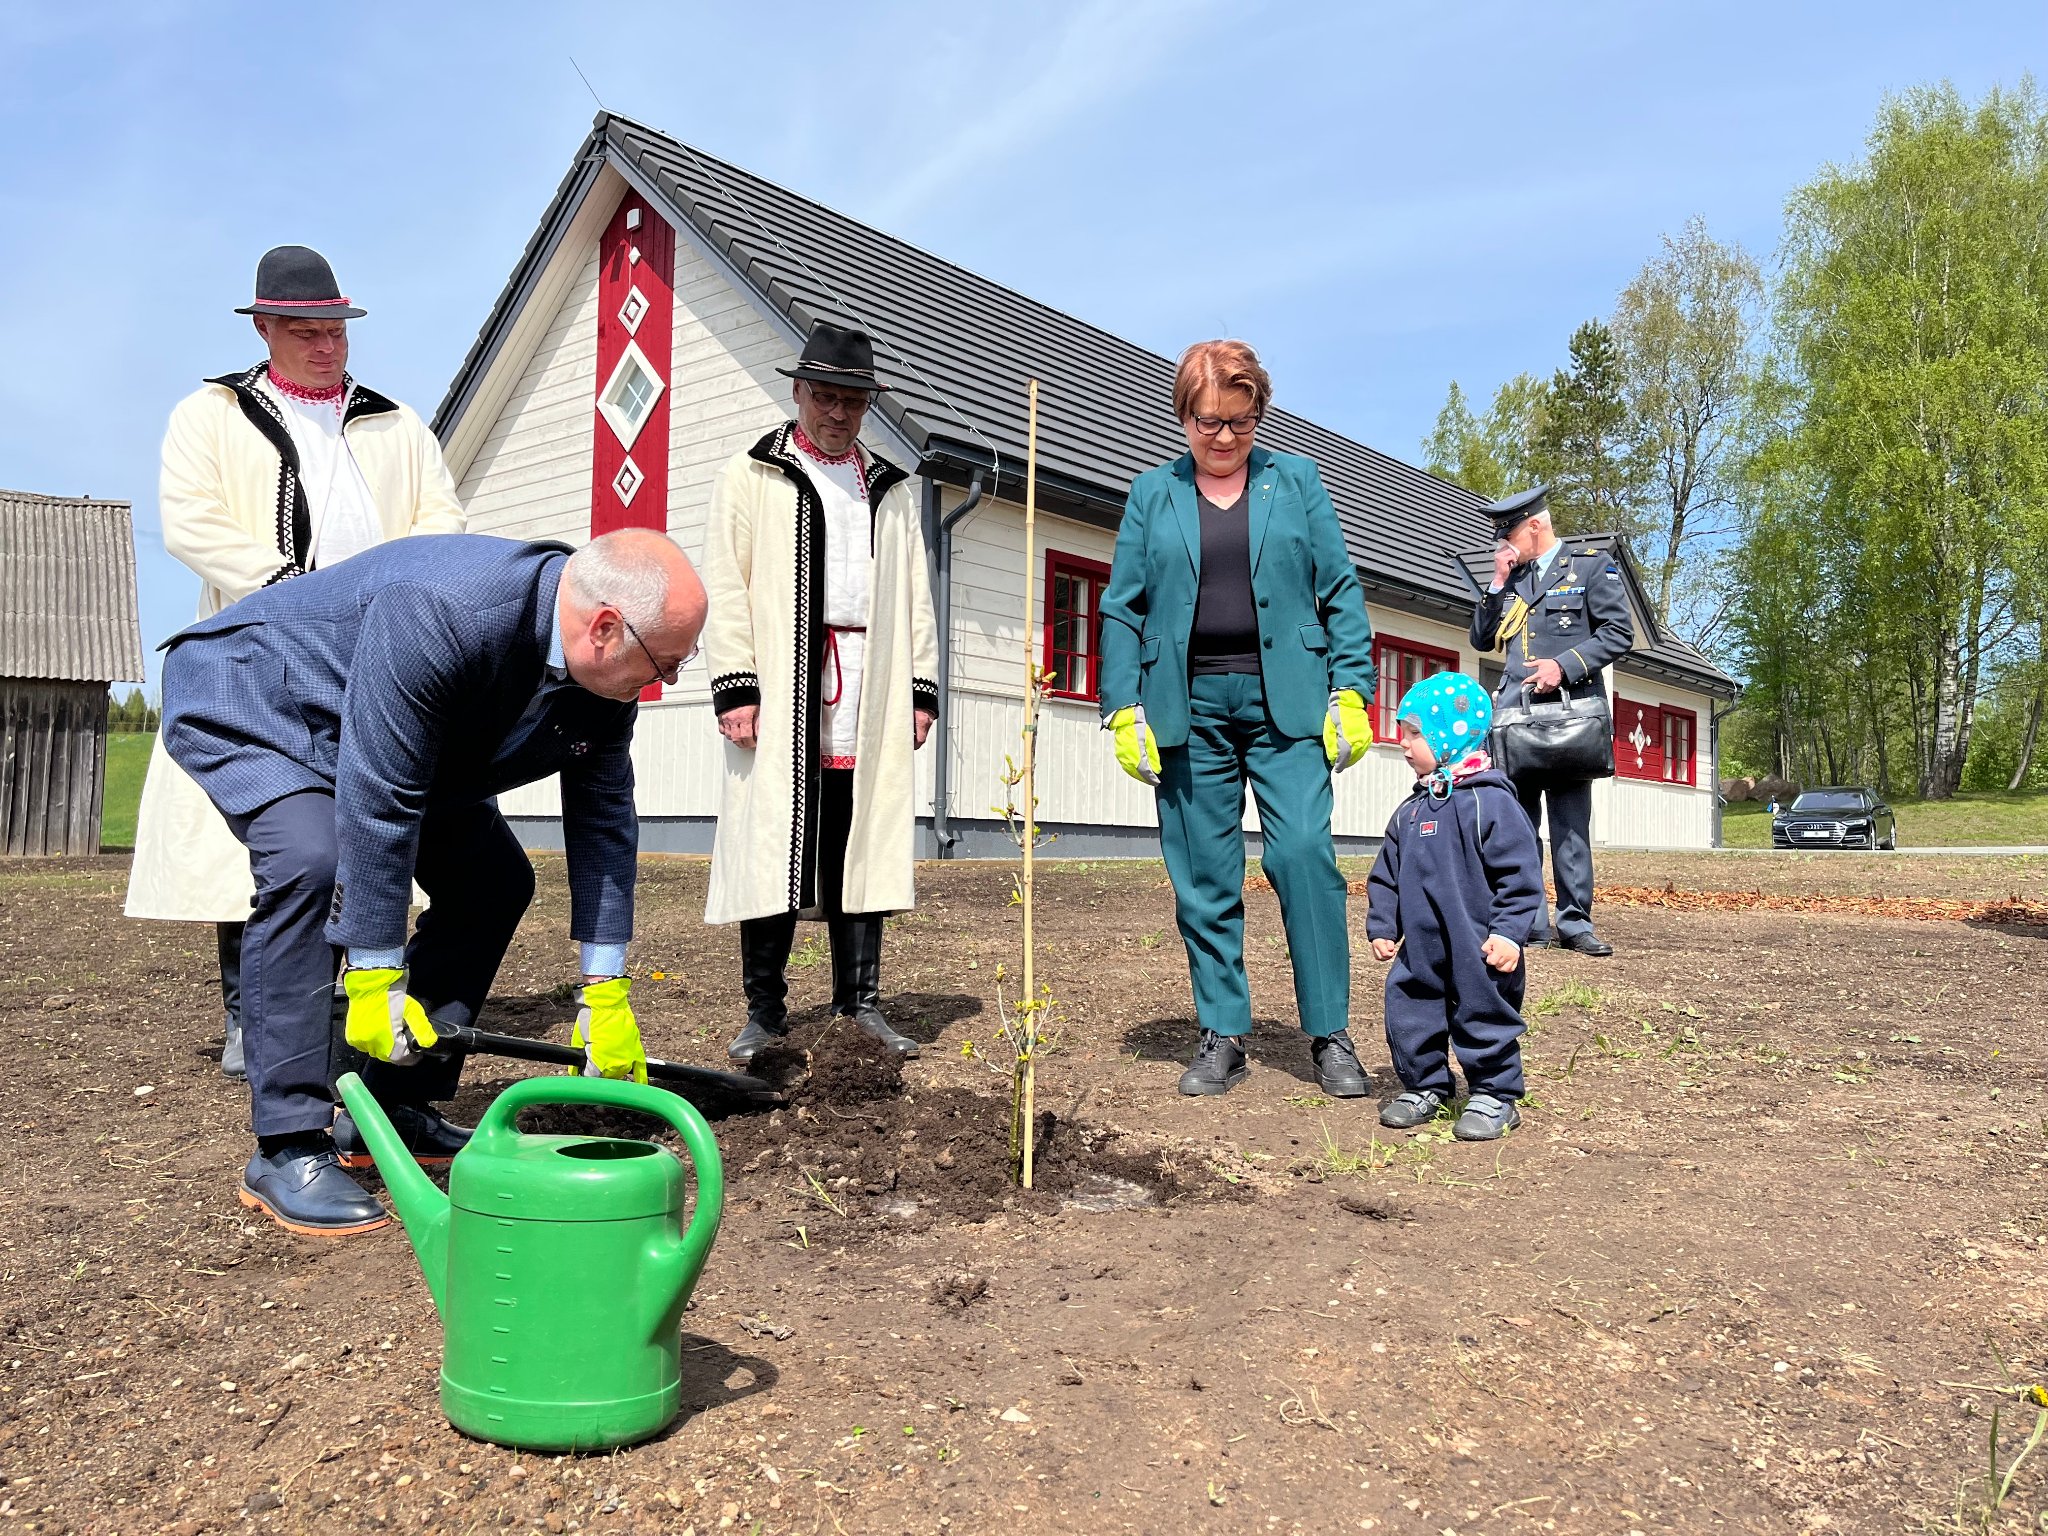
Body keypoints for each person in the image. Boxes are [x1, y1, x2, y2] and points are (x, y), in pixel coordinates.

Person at [161, 530, 707, 1236]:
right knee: (312, 862)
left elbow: (604, 822)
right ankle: (287, 1144)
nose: (661, 682)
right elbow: (380, 796)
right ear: (605, 627)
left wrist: (605, 989)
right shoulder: (445, 608)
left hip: (397, 742)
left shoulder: (602, 679)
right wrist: (374, 973)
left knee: (494, 881)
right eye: (664, 663)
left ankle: (390, 1105)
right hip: (265, 701)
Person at [125, 245, 466, 1079]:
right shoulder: (210, 415)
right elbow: (191, 523)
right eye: (308, 331)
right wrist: (288, 590)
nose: (328, 345)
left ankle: (357, 995)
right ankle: (253, 1012)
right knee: (266, 836)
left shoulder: (395, 421)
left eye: (338, 329)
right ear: (267, 327)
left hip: (374, 652)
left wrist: (403, 600)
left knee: (365, 822)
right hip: (259, 649)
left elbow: (441, 519)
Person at [1097, 340, 1376, 1098]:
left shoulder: (1299, 483)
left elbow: (1341, 590)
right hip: (1187, 710)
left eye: (1240, 422)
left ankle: (1330, 1032)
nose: (1223, 438)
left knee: (1304, 858)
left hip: (1284, 704)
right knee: (1204, 874)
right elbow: (1122, 607)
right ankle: (1223, 1031)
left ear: (1260, 415)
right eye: (1207, 421)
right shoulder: (1152, 494)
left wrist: (1350, 691)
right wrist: (1122, 706)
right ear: (1183, 416)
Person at [703, 321, 938, 1064]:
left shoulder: (893, 490)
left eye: (853, 400)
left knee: (858, 840)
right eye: (826, 396)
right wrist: (737, 685)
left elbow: (917, 597)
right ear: (798, 391)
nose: (838, 413)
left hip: (868, 683)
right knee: (772, 837)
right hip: (782, 678)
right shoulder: (753, 474)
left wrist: (918, 692)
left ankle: (859, 1004)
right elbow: (727, 584)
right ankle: (764, 1012)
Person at [1365, 672, 1544, 1142]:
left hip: (1480, 943)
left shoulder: (1490, 803)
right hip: (1421, 946)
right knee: (1410, 1009)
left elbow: (1521, 876)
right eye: (1404, 732)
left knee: (1484, 1010)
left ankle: (1495, 1093)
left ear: (1449, 735)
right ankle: (1426, 1085)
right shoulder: (1410, 811)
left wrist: (1509, 932)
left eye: (1415, 733)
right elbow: (1387, 874)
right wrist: (1384, 923)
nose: (1404, 744)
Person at [1468, 486, 1634, 956]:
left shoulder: (1590, 567)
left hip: (1569, 715)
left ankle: (1576, 924)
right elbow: (1482, 640)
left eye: (1509, 534)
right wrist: (1497, 582)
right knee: (1517, 823)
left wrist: (1565, 666)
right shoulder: (1512, 579)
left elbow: (1618, 632)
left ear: (1535, 526)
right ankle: (1529, 923)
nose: (1503, 543)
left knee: (1570, 821)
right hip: (1516, 718)